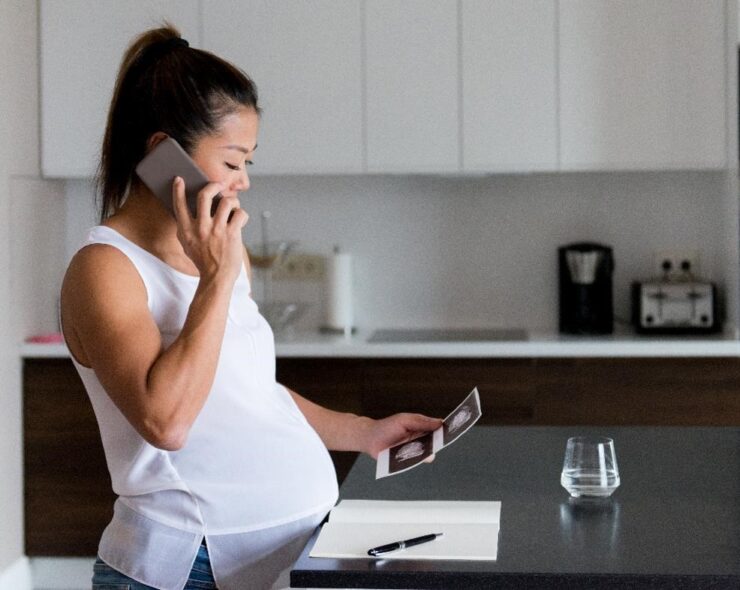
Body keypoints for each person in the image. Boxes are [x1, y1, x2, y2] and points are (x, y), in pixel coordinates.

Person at [59, 25, 441, 590]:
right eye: (233, 161)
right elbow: (166, 421)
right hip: (187, 568)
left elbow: (249, 391)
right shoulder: (106, 268)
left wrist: (363, 432)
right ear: (164, 153)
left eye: (248, 165)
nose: (243, 183)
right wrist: (215, 275)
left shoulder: (221, 251)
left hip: (284, 555)